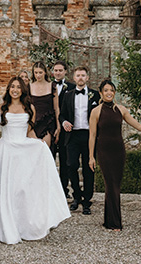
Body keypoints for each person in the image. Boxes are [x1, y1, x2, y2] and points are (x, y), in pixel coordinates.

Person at [0, 77, 70, 244]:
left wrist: (39, 145)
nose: (15, 90)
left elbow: (29, 132)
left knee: (21, 188)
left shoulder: (29, 107)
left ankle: (22, 224)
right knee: (6, 188)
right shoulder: (3, 107)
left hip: (22, 150)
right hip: (7, 150)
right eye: (12, 87)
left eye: (18, 87)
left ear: (23, 90)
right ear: (8, 89)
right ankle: (3, 222)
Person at [88, 78, 141, 230]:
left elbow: (138, 125)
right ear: (101, 93)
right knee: (110, 185)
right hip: (103, 151)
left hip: (118, 151)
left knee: (115, 185)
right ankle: (114, 222)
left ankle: (109, 220)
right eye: (106, 90)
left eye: (111, 90)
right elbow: (92, 135)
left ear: (114, 92)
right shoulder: (96, 111)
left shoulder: (121, 110)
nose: (109, 93)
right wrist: (91, 156)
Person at [60, 66, 100, 214]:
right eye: (78, 76)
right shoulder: (68, 95)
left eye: (83, 75)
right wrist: (64, 122)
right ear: (74, 78)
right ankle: (77, 196)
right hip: (73, 136)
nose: (81, 78)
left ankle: (87, 200)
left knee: (89, 168)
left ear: (87, 78)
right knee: (71, 165)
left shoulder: (95, 95)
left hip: (90, 136)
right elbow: (62, 114)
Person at [51, 59, 71, 196]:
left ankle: (64, 190)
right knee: (50, 160)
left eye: (60, 70)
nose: (58, 73)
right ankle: (51, 190)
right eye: (56, 70)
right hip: (50, 129)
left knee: (65, 162)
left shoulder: (71, 87)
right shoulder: (47, 86)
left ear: (65, 72)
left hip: (65, 130)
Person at [28, 61, 60, 147]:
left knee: (46, 151)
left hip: (48, 124)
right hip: (33, 124)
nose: (38, 75)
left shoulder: (52, 86)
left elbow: (56, 108)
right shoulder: (29, 87)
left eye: (40, 72)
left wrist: (58, 126)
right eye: (36, 72)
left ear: (45, 72)